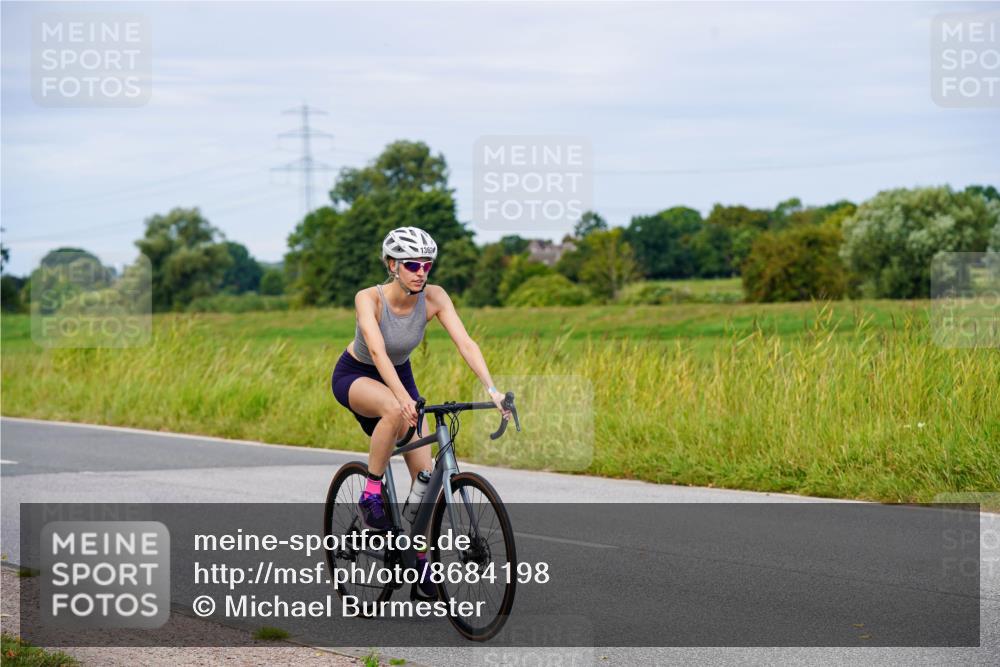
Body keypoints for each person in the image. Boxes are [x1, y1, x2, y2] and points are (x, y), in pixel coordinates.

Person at [330, 226, 510, 595]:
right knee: (394, 411)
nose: (421, 271)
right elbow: (378, 352)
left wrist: (491, 389)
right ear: (392, 264)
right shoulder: (369, 298)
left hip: (401, 375)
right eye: (412, 264)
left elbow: (466, 342)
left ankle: (421, 565)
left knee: (425, 482)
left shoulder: (435, 297)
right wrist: (402, 399)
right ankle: (371, 492)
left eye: (427, 264)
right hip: (357, 374)